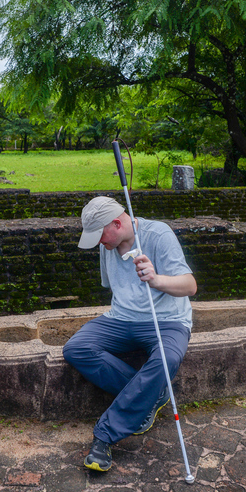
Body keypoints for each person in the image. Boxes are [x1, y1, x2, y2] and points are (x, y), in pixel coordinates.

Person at [63, 196, 197, 471]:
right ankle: (154, 394)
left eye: (100, 235)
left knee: (167, 359)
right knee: (76, 348)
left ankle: (105, 436)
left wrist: (157, 279)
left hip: (168, 320)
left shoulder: (158, 234)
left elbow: (190, 286)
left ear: (116, 222)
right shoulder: (108, 245)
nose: (100, 243)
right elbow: (114, 287)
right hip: (121, 319)